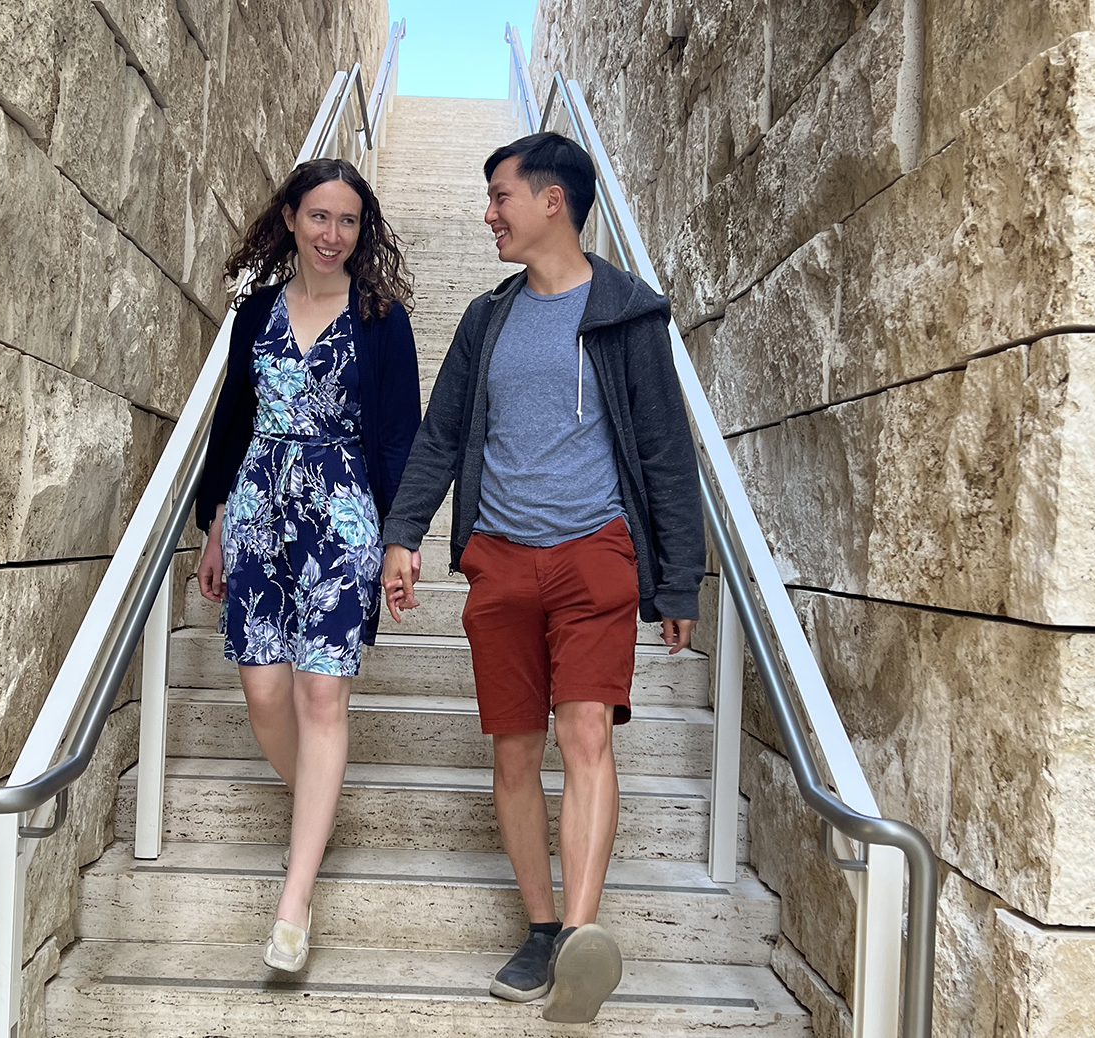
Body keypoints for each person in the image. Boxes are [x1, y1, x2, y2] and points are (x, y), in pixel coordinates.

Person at [379, 132, 704, 1023]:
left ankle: (580, 942)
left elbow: (666, 454)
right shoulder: (489, 318)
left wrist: (679, 582)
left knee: (586, 736)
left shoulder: (628, 314)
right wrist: (402, 534)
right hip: (501, 558)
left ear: (551, 200)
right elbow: (441, 433)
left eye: (500, 197)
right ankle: (540, 925)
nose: (489, 214)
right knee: (514, 748)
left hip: (597, 553)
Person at [195, 157, 420, 974]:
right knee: (264, 692)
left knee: (321, 691)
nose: (333, 234)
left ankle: (295, 898)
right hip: (256, 503)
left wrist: (402, 538)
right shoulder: (254, 312)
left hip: (342, 508)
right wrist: (213, 525)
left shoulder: (382, 317)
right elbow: (231, 422)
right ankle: (315, 810)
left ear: (364, 232)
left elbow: (401, 435)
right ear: (290, 218)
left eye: (349, 221)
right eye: (319, 217)